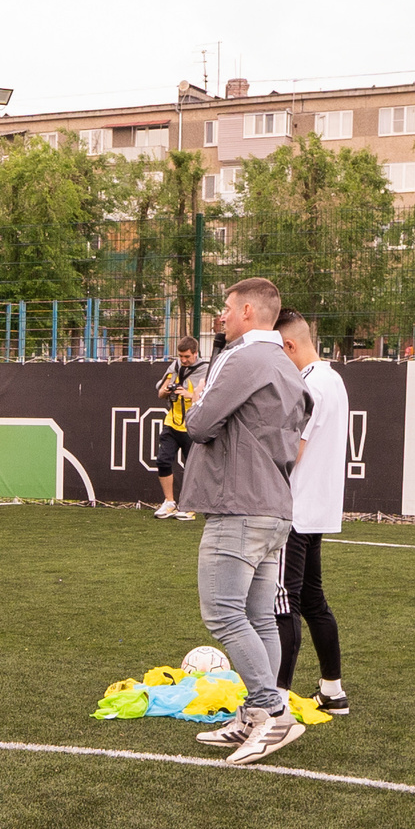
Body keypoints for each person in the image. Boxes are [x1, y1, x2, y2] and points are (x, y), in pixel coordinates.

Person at [182, 277, 308, 764]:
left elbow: (199, 424)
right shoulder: (285, 362)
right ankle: (259, 713)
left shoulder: (245, 357)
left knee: (224, 613)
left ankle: (271, 710)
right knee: (258, 616)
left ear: (250, 313)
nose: (222, 317)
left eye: (228, 309)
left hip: (240, 505)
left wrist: (197, 403)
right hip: (273, 506)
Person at [274, 310, 349, 715]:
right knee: (312, 601)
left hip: (295, 511)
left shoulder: (309, 385)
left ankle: (276, 704)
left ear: (289, 346)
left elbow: (293, 452)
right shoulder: (333, 379)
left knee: (283, 603)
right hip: (318, 509)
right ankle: (332, 691)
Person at [152, 340, 202, 521]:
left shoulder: (205, 369)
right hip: (172, 422)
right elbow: (160, 392)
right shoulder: (174, 366)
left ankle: (190, 505)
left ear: (196, 353)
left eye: (187, 356)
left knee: (192, 467)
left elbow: (208, 395)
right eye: (181, 356)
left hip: (192, 425)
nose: (183, 360)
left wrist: (189, 394)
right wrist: (167, 390)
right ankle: (169, 502)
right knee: (163, 461)